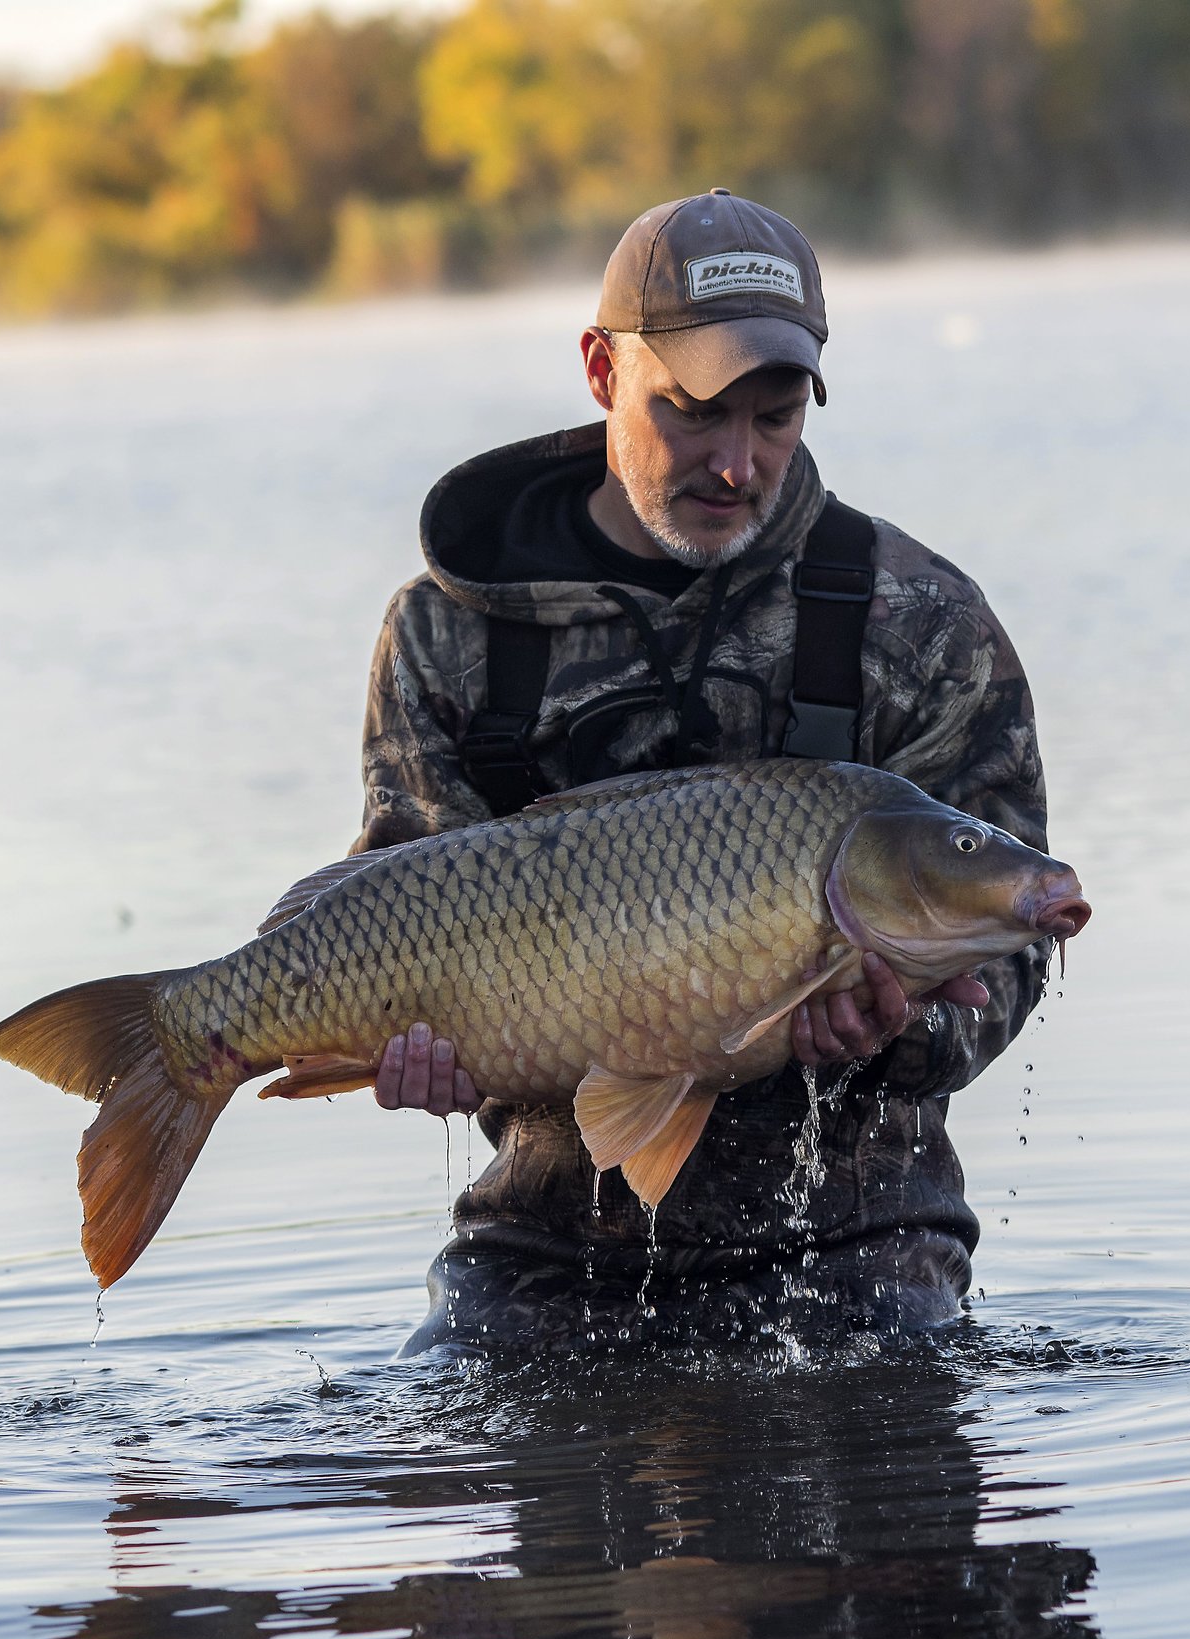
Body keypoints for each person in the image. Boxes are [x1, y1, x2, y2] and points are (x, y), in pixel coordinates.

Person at [354, 189, 1054, 1354]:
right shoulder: (448, 632)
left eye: (774, 421)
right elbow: (393, 897)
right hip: (546, 1236)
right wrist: (416, 1055)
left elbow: (1013, 942)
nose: (736, 465)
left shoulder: (921, 622)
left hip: (856, 1234)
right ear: (599, 369)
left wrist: (898, 1034)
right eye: (693, 414)